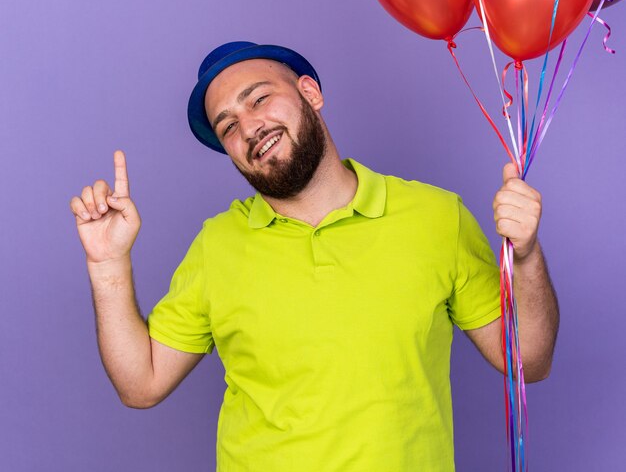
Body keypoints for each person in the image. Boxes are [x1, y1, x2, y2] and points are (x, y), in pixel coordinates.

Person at [69, 41, 559, 471]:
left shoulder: (436, 216)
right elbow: (142, 385)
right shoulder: (217, 244)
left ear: (310, 92)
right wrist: (107, 266)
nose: (250, 128)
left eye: (259, 98)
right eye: (228, 127)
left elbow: (528, 362)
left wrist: (528, 256)